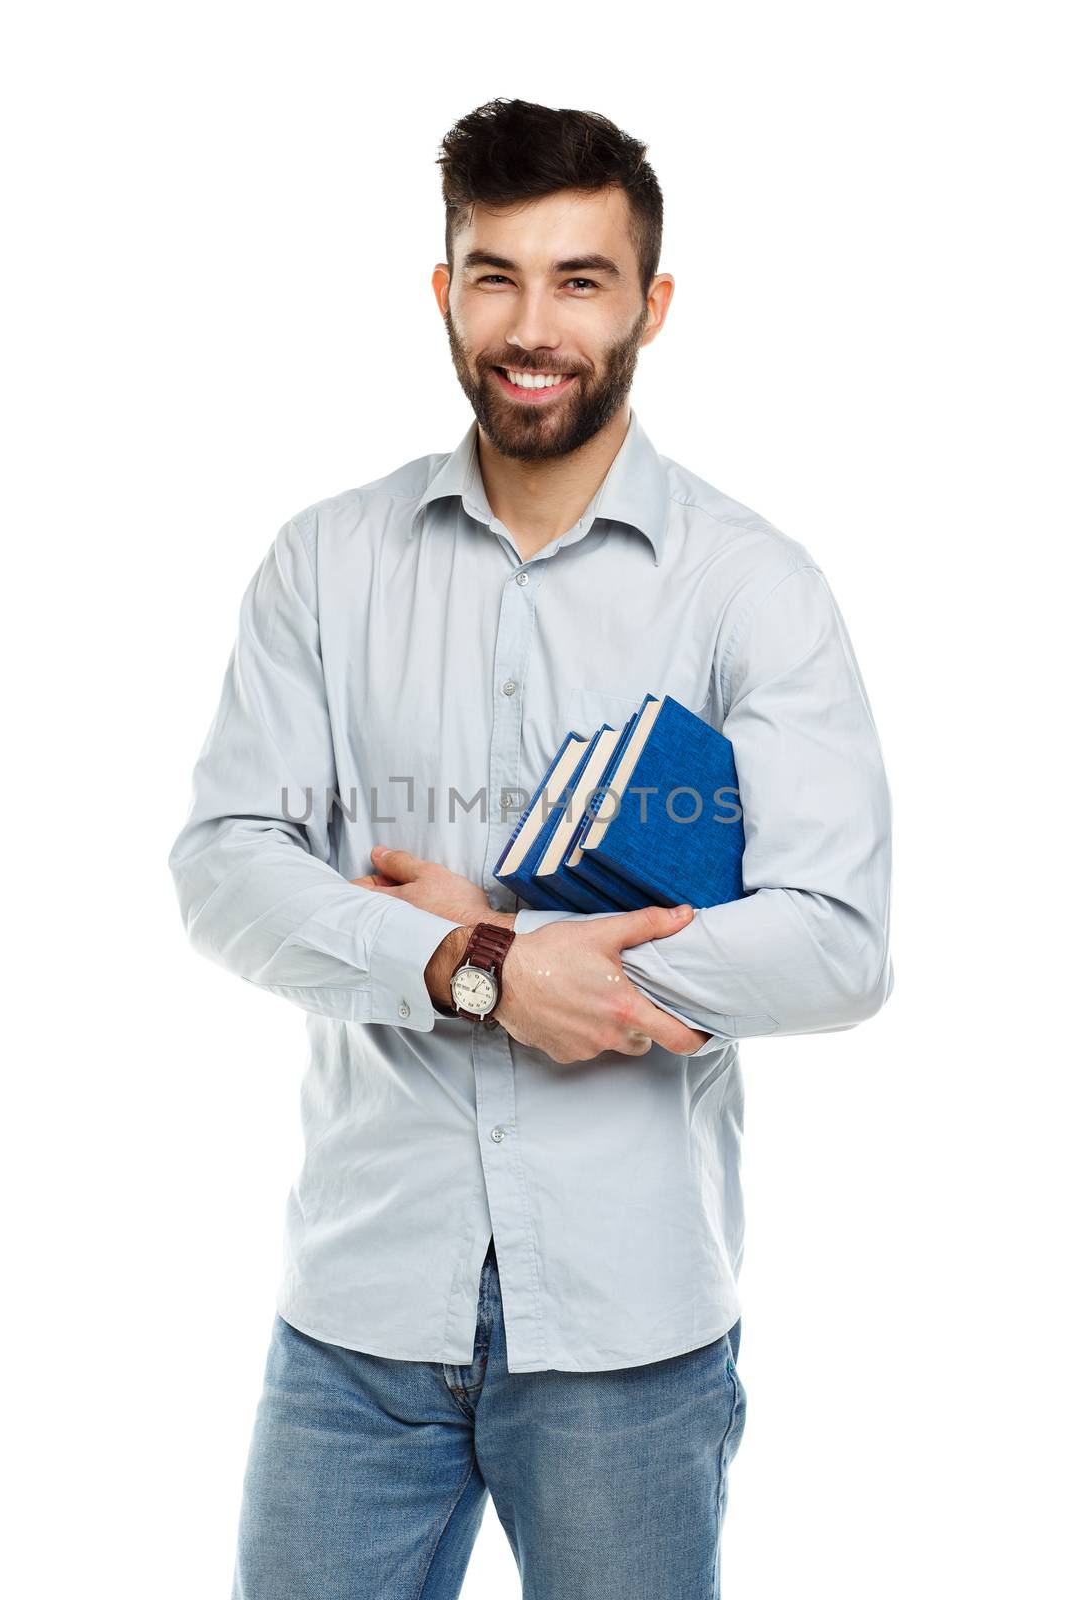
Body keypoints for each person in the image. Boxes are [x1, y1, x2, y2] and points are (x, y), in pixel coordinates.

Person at [168, 95, 894, 1600]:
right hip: (356, 1316)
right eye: (493, 274)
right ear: (444, 292)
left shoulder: (751, 588)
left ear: (650, 304)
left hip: (629, 1335)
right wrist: (474, 963)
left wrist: (509, 924)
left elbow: (834, 940)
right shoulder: (326, 562)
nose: (531, 324)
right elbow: (228, 867)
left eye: (579, 278)